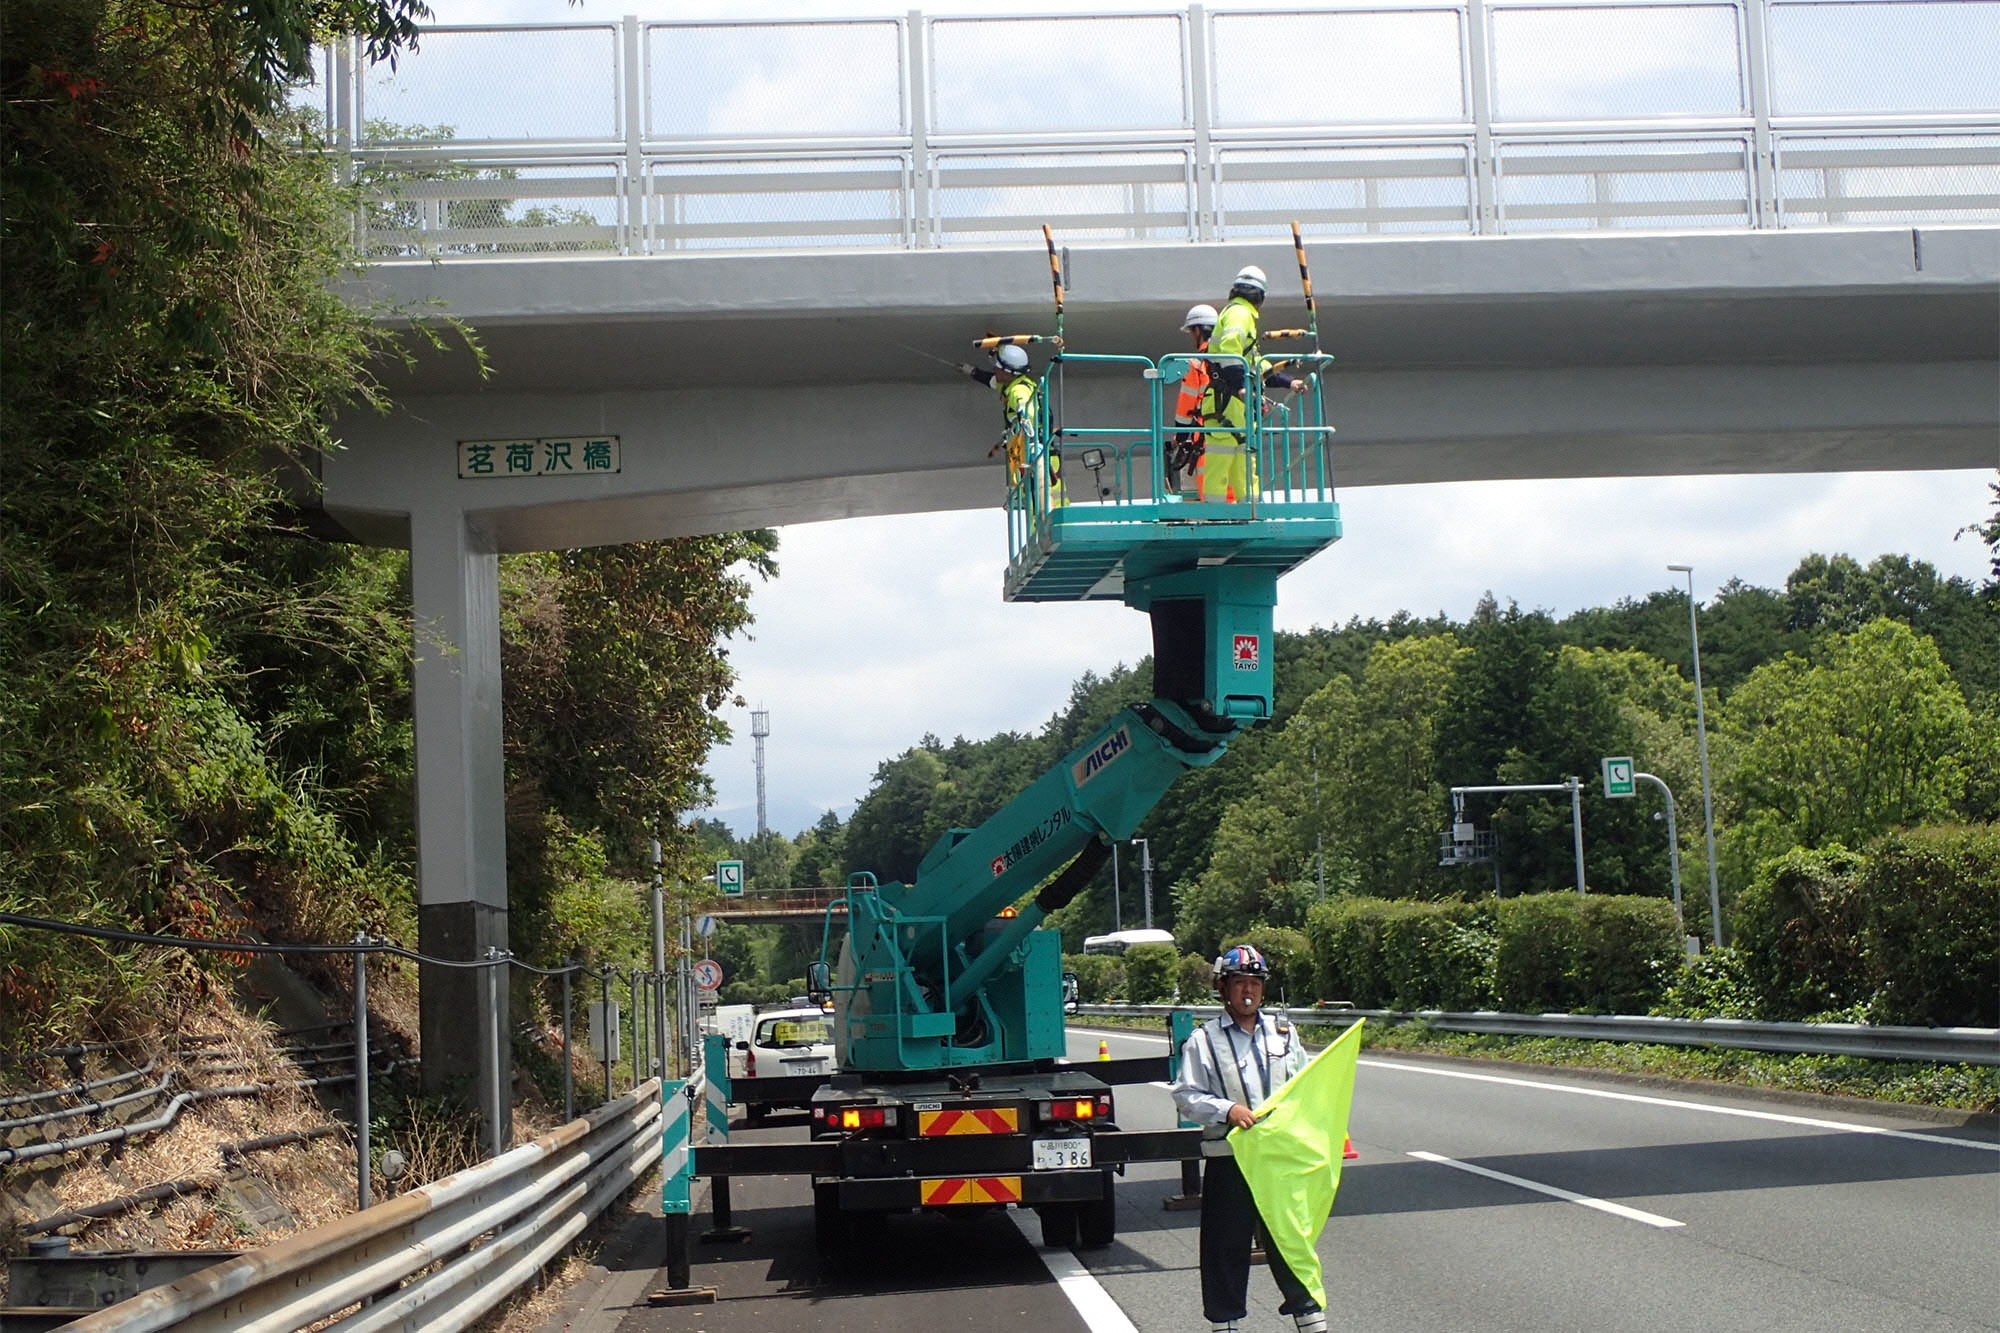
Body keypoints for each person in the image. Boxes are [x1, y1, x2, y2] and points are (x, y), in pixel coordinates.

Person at [1171, 944, 1322, 1333]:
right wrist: (1227, 1110)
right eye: (1239, 983)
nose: (1248, 991)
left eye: (1255, 983)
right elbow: (1186, 1095)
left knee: (1289, 1239)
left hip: (1278, 1159)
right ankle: (1225, 1323)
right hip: (1230, 1158)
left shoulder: (1285, 1033)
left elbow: (1306, 1085)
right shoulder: (1204, 1040)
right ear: (1223, 988)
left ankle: (1309, 1316)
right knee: (1225, 1245)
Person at [1203, 266, 1306, 503]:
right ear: (1261, 296)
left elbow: (1255, 365)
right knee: (1223, 462)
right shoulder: (1240, 314)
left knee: (1243, 463)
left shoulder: (1238, 313)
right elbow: (1231, 350)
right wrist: (1240, 385)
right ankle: (1216, 517)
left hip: (1234, 406)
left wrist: (1287, 382)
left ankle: (1251, 511)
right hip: (1226, 403)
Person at [959, 343, 1063, 512]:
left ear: (1009, 372)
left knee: (1041, 508)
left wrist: (1017, 433)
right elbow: (992, 381)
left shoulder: (1018, 392)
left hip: (1037, 458)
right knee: (1047, 505)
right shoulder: (1017, 384)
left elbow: (1028, 416)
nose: (995, 371)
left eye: (999, 368)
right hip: (1041, 455)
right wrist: (973, 372)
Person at [1170, 304, 1218, 497]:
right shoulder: (1234, 359)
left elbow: (1186, 408)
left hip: (1207, 442)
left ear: (1197, 330)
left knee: (1212, 499)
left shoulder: (1196, 364)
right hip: (1239, 438)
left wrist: (1180, 437)